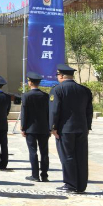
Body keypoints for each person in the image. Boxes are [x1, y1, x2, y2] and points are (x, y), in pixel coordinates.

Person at [50, 64, 93, 193]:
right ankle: (81, 185)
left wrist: (53, 127)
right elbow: (89, 111)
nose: (57, 77)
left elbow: (54, 110)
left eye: (58, 75)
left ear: (62, 76)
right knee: (81, 156)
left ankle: (70, 184)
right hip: (81, 128)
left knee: (67, 156)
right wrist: (87, 126)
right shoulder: (84, 90)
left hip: (65, 129)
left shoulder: (57, 90)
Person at [20, 72, 50, 182]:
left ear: (30, 82)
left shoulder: (26, 96)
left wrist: (23, 127)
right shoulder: (45, 96)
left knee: (33, 152)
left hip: (31, 128)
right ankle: (44, 175)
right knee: (44, 152)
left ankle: (35, 175)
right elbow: (49, 112)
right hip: (44, 128)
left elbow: (24, 113)